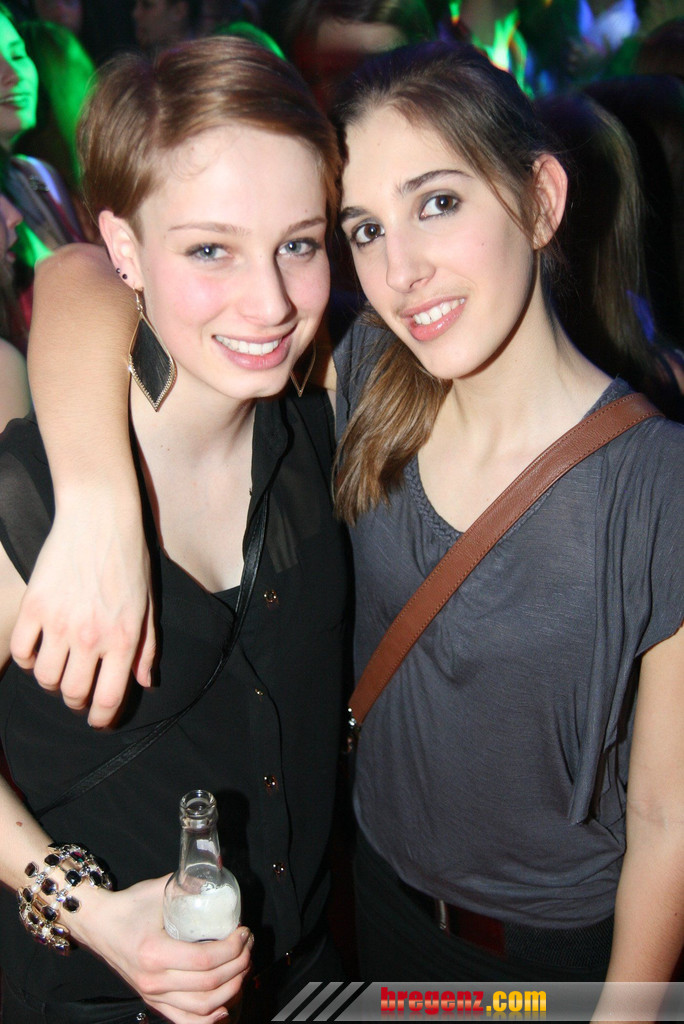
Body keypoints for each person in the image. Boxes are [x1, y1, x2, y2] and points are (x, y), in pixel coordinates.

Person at [13, 39, 684, 1006]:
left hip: (543, 962)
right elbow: (85, 275)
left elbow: (666, 815)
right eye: (364, 229)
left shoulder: (651, 483)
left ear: (541, 199)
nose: (401, 270)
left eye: (438, 203)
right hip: (370, 926)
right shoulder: (364, 384)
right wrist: (94, 496)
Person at [0, 35, 350, 1024]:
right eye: (209, 249)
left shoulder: (316, 418)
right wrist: (86, 908)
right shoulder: (34, 501)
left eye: (299, 243)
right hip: (96, 1001)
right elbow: (72, 274)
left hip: (311, 976)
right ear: (126, 249)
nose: (271, 302)